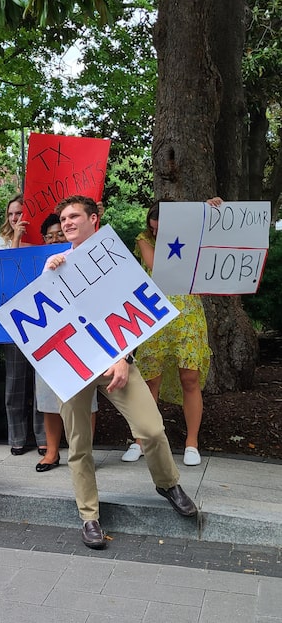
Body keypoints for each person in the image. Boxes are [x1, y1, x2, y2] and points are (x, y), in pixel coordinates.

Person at [44, 195, 197, 550]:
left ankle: (168, 483)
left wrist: (124, 356)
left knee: (151, 429)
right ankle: (89, 516)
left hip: (115, 361)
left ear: (93, 219)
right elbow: (47, 320)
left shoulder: (117, 258)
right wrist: (46, 274)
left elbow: (134, 309)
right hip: (72, 366)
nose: (66, 223)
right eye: (63, 218)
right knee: (79, 443)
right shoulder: (54, 262)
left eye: (74, 216)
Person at [122, 200, 216, 467]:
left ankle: (192, 443)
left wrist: (205, 212)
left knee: (190, 378)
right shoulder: (144, 240)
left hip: (188, 315)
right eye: (153, 229)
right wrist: (178, 238)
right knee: (150, 380)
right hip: (155, 314)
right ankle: (142, 441)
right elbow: (157, 266)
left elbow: (214, 244)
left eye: (161, 229)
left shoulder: (190, 238)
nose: (155, 233)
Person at [33, 213, 95, 472]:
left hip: (86, 336)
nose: (58, 237)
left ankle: (84, 453)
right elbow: (39, 298)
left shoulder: (94, 255)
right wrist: (50, 271)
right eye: (52, 234)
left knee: (86, 400)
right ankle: (52, 451)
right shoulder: (50, 261)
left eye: (63, 230)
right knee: (49, 396)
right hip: (53, 337)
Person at [0, 193, 43, 456]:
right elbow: (7, 269)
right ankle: (18, 438)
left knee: (41, 384)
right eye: (11, 214)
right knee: (15, 382)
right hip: (13, 320)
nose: (14, 218)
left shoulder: (45, 240)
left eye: (19, 213)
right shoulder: (2, 242)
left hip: (43, 320)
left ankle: (43, 436)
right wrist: (17, 238)